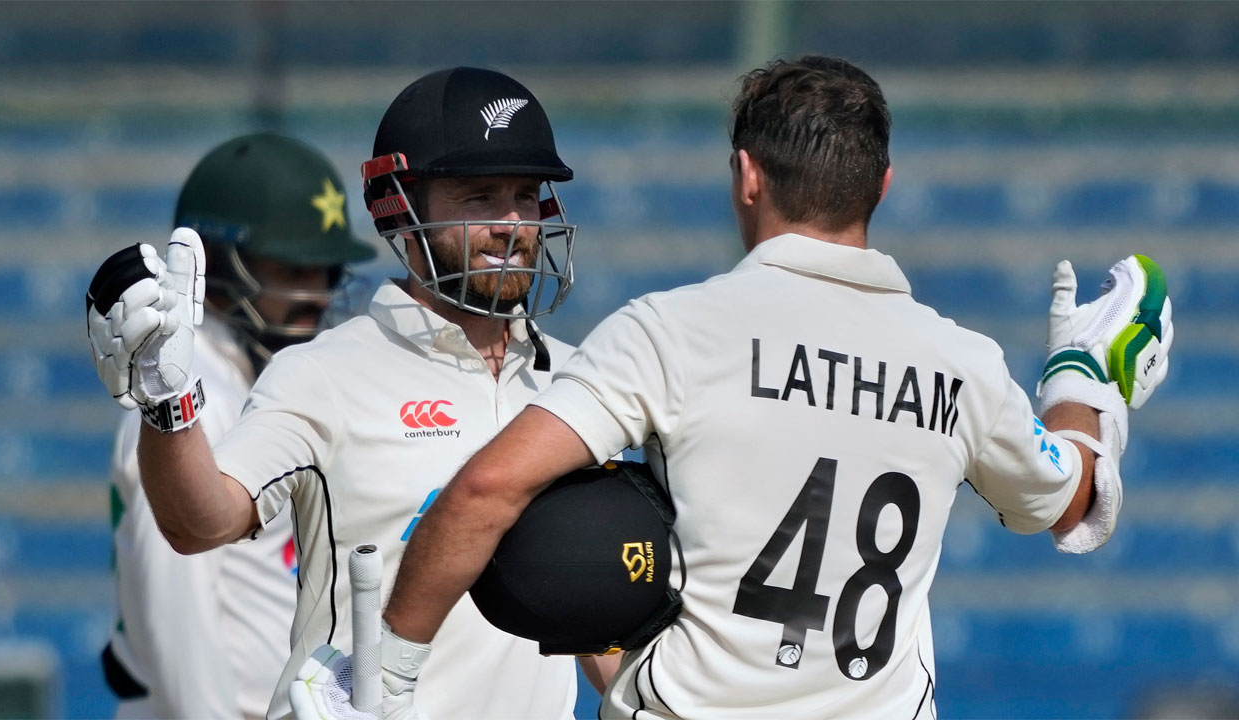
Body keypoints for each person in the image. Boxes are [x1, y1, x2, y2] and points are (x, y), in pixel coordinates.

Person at [368, 55, 1175, 719]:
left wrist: (386, 679)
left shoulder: (671, 331)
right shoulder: (962, 363)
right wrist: (1083, 374)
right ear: (882, 185)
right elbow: (1070, 498)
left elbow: (486, 488)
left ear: (747, 175)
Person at [85, 67, 617, 720]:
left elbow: (592, 619)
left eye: (526, 195)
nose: (511, 223)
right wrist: (166, 402)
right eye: (479, 196)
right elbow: (201, 522)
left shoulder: (578, 379)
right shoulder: (323, 375)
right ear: (401, 208)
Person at [96, 132, 377, 719]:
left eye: (326, 269)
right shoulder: (188, 391)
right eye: (292, 266)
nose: (317, 292)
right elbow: (178, 617)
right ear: (218, 263)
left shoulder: (255, 377)